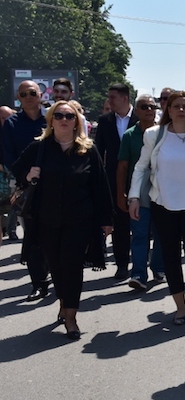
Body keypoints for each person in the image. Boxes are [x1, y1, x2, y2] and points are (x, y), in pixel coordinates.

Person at [13, 100, 113, 340]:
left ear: (76, 122)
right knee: (56, 267)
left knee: (72, 266)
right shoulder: (40, 147)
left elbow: (100, 186)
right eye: (59, 116)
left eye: (69, 116)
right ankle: (63, 302)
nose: (64, 120)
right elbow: (17, 170)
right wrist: (28, 175)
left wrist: (106, 220)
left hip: (80, 220)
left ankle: (71, 317)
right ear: (51, 121)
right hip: (47, 220)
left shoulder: (88, 149)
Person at [128, 91, 185, 324]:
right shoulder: (154, 135)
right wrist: (134, 197)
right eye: (176, 106)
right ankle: (179, 304)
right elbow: (141, 167)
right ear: (168, 110)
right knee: (170, 257)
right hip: (163, 206)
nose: (181, 110)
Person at [3, 81, 49, 299]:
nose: (29, 97)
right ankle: (39, 283)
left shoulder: (54, 118)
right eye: (24, 94)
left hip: (56, 184)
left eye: (32, 93)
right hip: (27, 187)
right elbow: (7, 156)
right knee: (32, 236)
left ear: (40, 94)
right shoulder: (11, 123)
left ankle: (57, 277)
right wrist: (24, 175)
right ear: (18, 97)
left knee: (57, 234)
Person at [117, 95, 165, 291]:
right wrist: (122, 194)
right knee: (139, 234)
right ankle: (138, 273)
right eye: (144, 107)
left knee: (162, 234)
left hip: (162, 191)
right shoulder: (130, 135)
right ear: (136, 111)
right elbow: (122, 167)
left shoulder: (165, 132)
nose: (149, 110)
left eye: (152, 106)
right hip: (139, 193)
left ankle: (158, 267)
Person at [95, 82, 138, 279]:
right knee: (120, 224)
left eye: (113, 97)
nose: (109, 101)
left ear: (125, 98)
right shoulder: (104, 121)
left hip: (139, 176)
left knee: (140, 224)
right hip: (114, 179)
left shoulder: (141, 118)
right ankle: (122, 265)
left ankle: (141, 266)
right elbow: (99, 151)